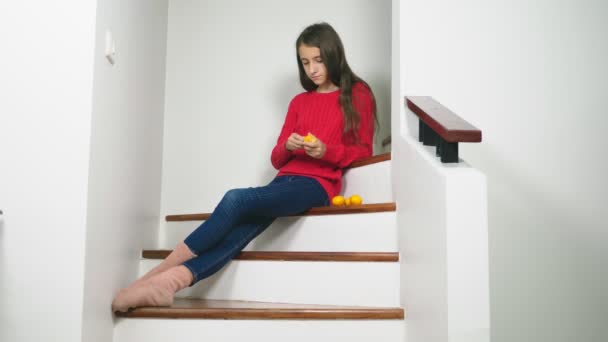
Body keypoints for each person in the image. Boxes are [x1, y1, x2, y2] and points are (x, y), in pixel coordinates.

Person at [112, 22, 377, 312]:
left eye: (318, 60)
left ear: (333, 55)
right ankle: (168, 284)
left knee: (235, 199)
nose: (312, 69)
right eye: (305, 62)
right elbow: (276, 159)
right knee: (238, 233)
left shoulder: (358, 94)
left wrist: (326, 151)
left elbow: (363, 150)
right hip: (285, 180)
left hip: (317, 185)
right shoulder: (300, 102)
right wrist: (288, 146)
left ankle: (153, 276)